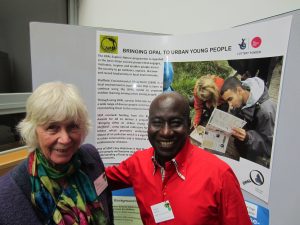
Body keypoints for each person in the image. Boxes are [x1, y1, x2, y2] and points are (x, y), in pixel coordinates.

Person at [106, 92, 251, 225]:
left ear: (188, 125)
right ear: (149, 125)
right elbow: (97, 180)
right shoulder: (138, 163)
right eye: (157, 122)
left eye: (175, 123)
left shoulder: (219, 175)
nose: (166, 132)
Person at [0, 82, 113, 225]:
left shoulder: (91, 157)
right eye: (52, 127)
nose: (65, 139)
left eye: (72, 126)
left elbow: (108, 209)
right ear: (33, 130)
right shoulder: (6, 195)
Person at [220, 76, 276, 168]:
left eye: (230, 99)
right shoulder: (239, 101)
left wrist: (248, 137)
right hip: (244, 149)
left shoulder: (266, 112)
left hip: (257, 158)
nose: (230, 105)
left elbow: (270, 146)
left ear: (239, 90)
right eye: (227, 102)